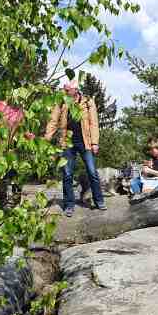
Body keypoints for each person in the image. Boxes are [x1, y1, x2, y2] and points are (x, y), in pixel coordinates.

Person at [44, 79, 106, 216]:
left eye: (67, 90)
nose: (64, 92)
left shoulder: (88, 102)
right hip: (67, 142)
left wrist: (95, 142)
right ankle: (69, 205)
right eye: (64, 90)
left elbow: (94, 123)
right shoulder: (61, 102)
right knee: (67, 174)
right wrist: (46, 139)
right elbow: (53, 121)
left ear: (75, 90)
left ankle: (99, 200)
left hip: (85, 141)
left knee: (92, 171)